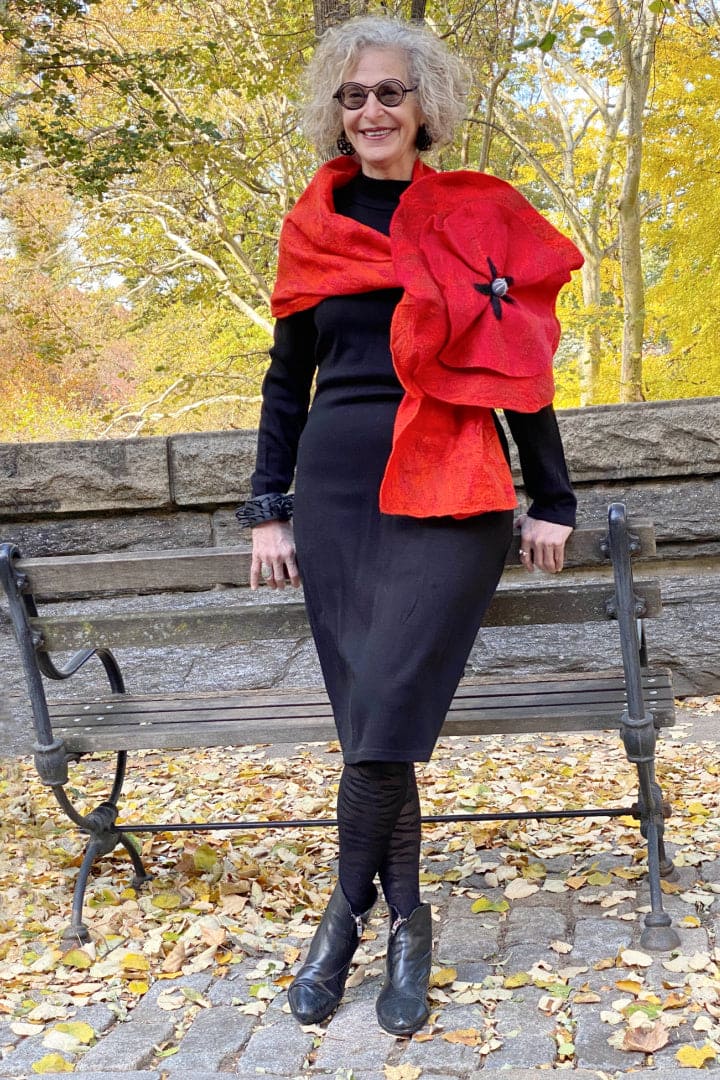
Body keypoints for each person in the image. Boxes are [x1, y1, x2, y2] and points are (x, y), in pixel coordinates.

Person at [237, 15, 581, 1037]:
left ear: (424, 105)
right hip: (339, 495)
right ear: (333, 114)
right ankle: (409, 924)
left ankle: (342, 919)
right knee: (372, 734)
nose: (372, 110)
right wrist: (269, 508)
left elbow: (520, 365)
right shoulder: (312, 226)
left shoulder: (477, 217)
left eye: (390, 92)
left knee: (382, 708)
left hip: (452, 488)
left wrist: (549, 496)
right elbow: (285, 380)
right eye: (353, 96)